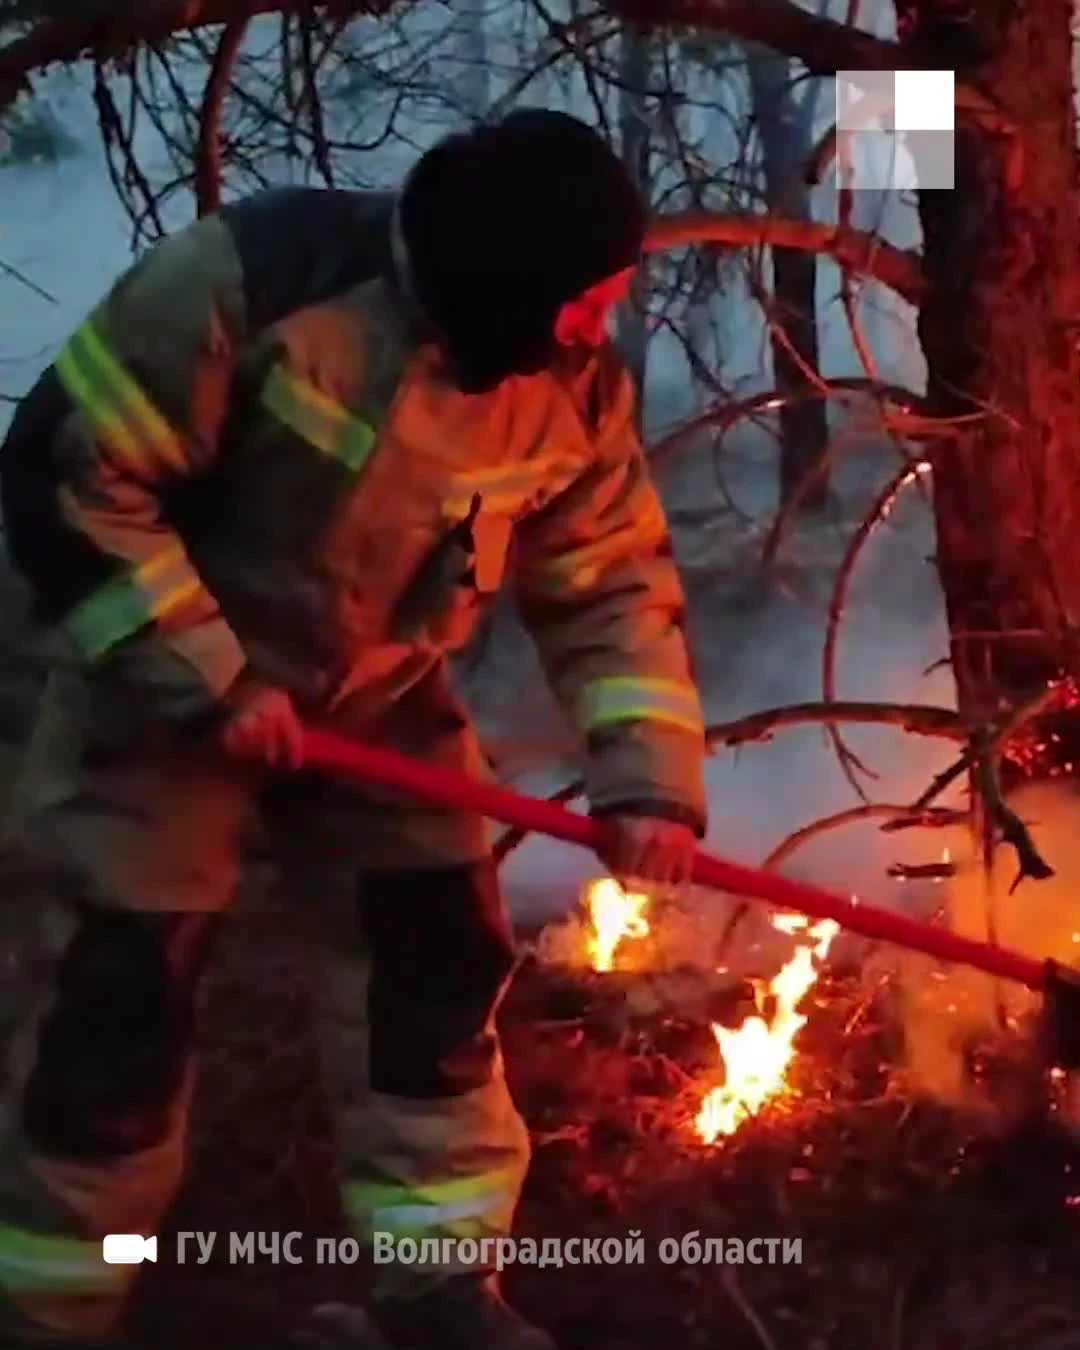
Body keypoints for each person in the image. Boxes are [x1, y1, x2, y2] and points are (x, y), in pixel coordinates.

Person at [0, 109, 708, 1350]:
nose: (599, 328)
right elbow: (72, 478)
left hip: (376, 702)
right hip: (152, 688)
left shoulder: (574, 389)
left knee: (433, 968)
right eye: (584, 302)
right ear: (506, 282)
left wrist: (647, 782)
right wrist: (209, 682)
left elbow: (606, 584)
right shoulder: (255, 288)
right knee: (117, 1006)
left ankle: (436, 1290)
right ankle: (54, 1304)